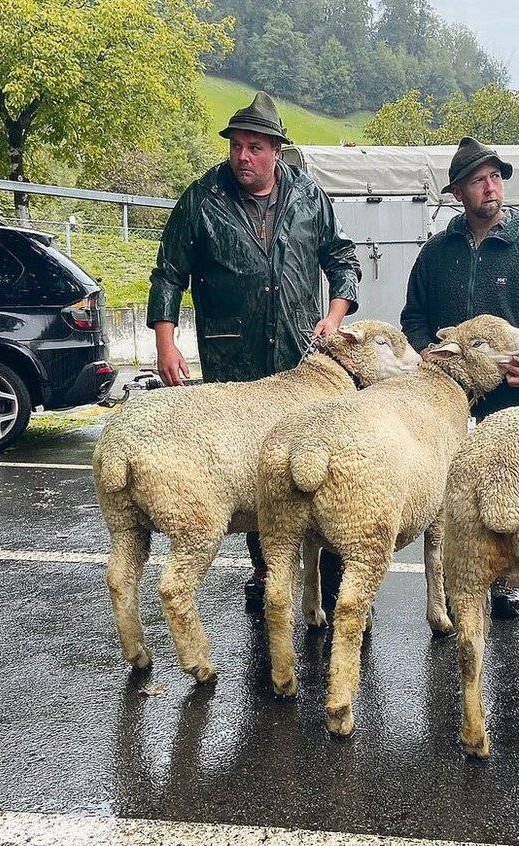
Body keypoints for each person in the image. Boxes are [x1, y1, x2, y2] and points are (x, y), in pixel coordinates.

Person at [147, 91, 361, 608]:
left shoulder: (309, 197)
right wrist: (165, 343)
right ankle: (267, 570)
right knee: (253, 465)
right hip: (233, 358)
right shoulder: (201, 199)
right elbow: (169, 272)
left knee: (318, 461)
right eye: (236, 146)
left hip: (300, 355)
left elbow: (342, 258)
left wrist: (334, 317)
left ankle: (332, 575)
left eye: (254, 147)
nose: (242, 157)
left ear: (276, 151)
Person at [400, 136, 519, 618]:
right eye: (478, 180)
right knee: (454, 495)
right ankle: (462, 577)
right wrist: (427, 352)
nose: (490, 187)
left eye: (496, 177)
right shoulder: (436, 253)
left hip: (514, 403)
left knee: (510, 494)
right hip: (449, 404)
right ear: (458, 192)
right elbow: (413, 317)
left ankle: (506, 580)